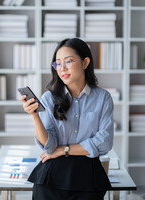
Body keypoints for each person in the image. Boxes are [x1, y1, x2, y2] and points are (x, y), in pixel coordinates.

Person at [20, 38, 114, 200]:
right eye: (57, 63)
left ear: (85, 63)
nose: (62, 68)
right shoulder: (49, 98)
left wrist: (63, 150)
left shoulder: (103, 98)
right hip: (50, 179)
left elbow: (104, 142)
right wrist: (35, 116)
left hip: (88, 179)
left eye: (68, 61)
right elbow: (49, 148)